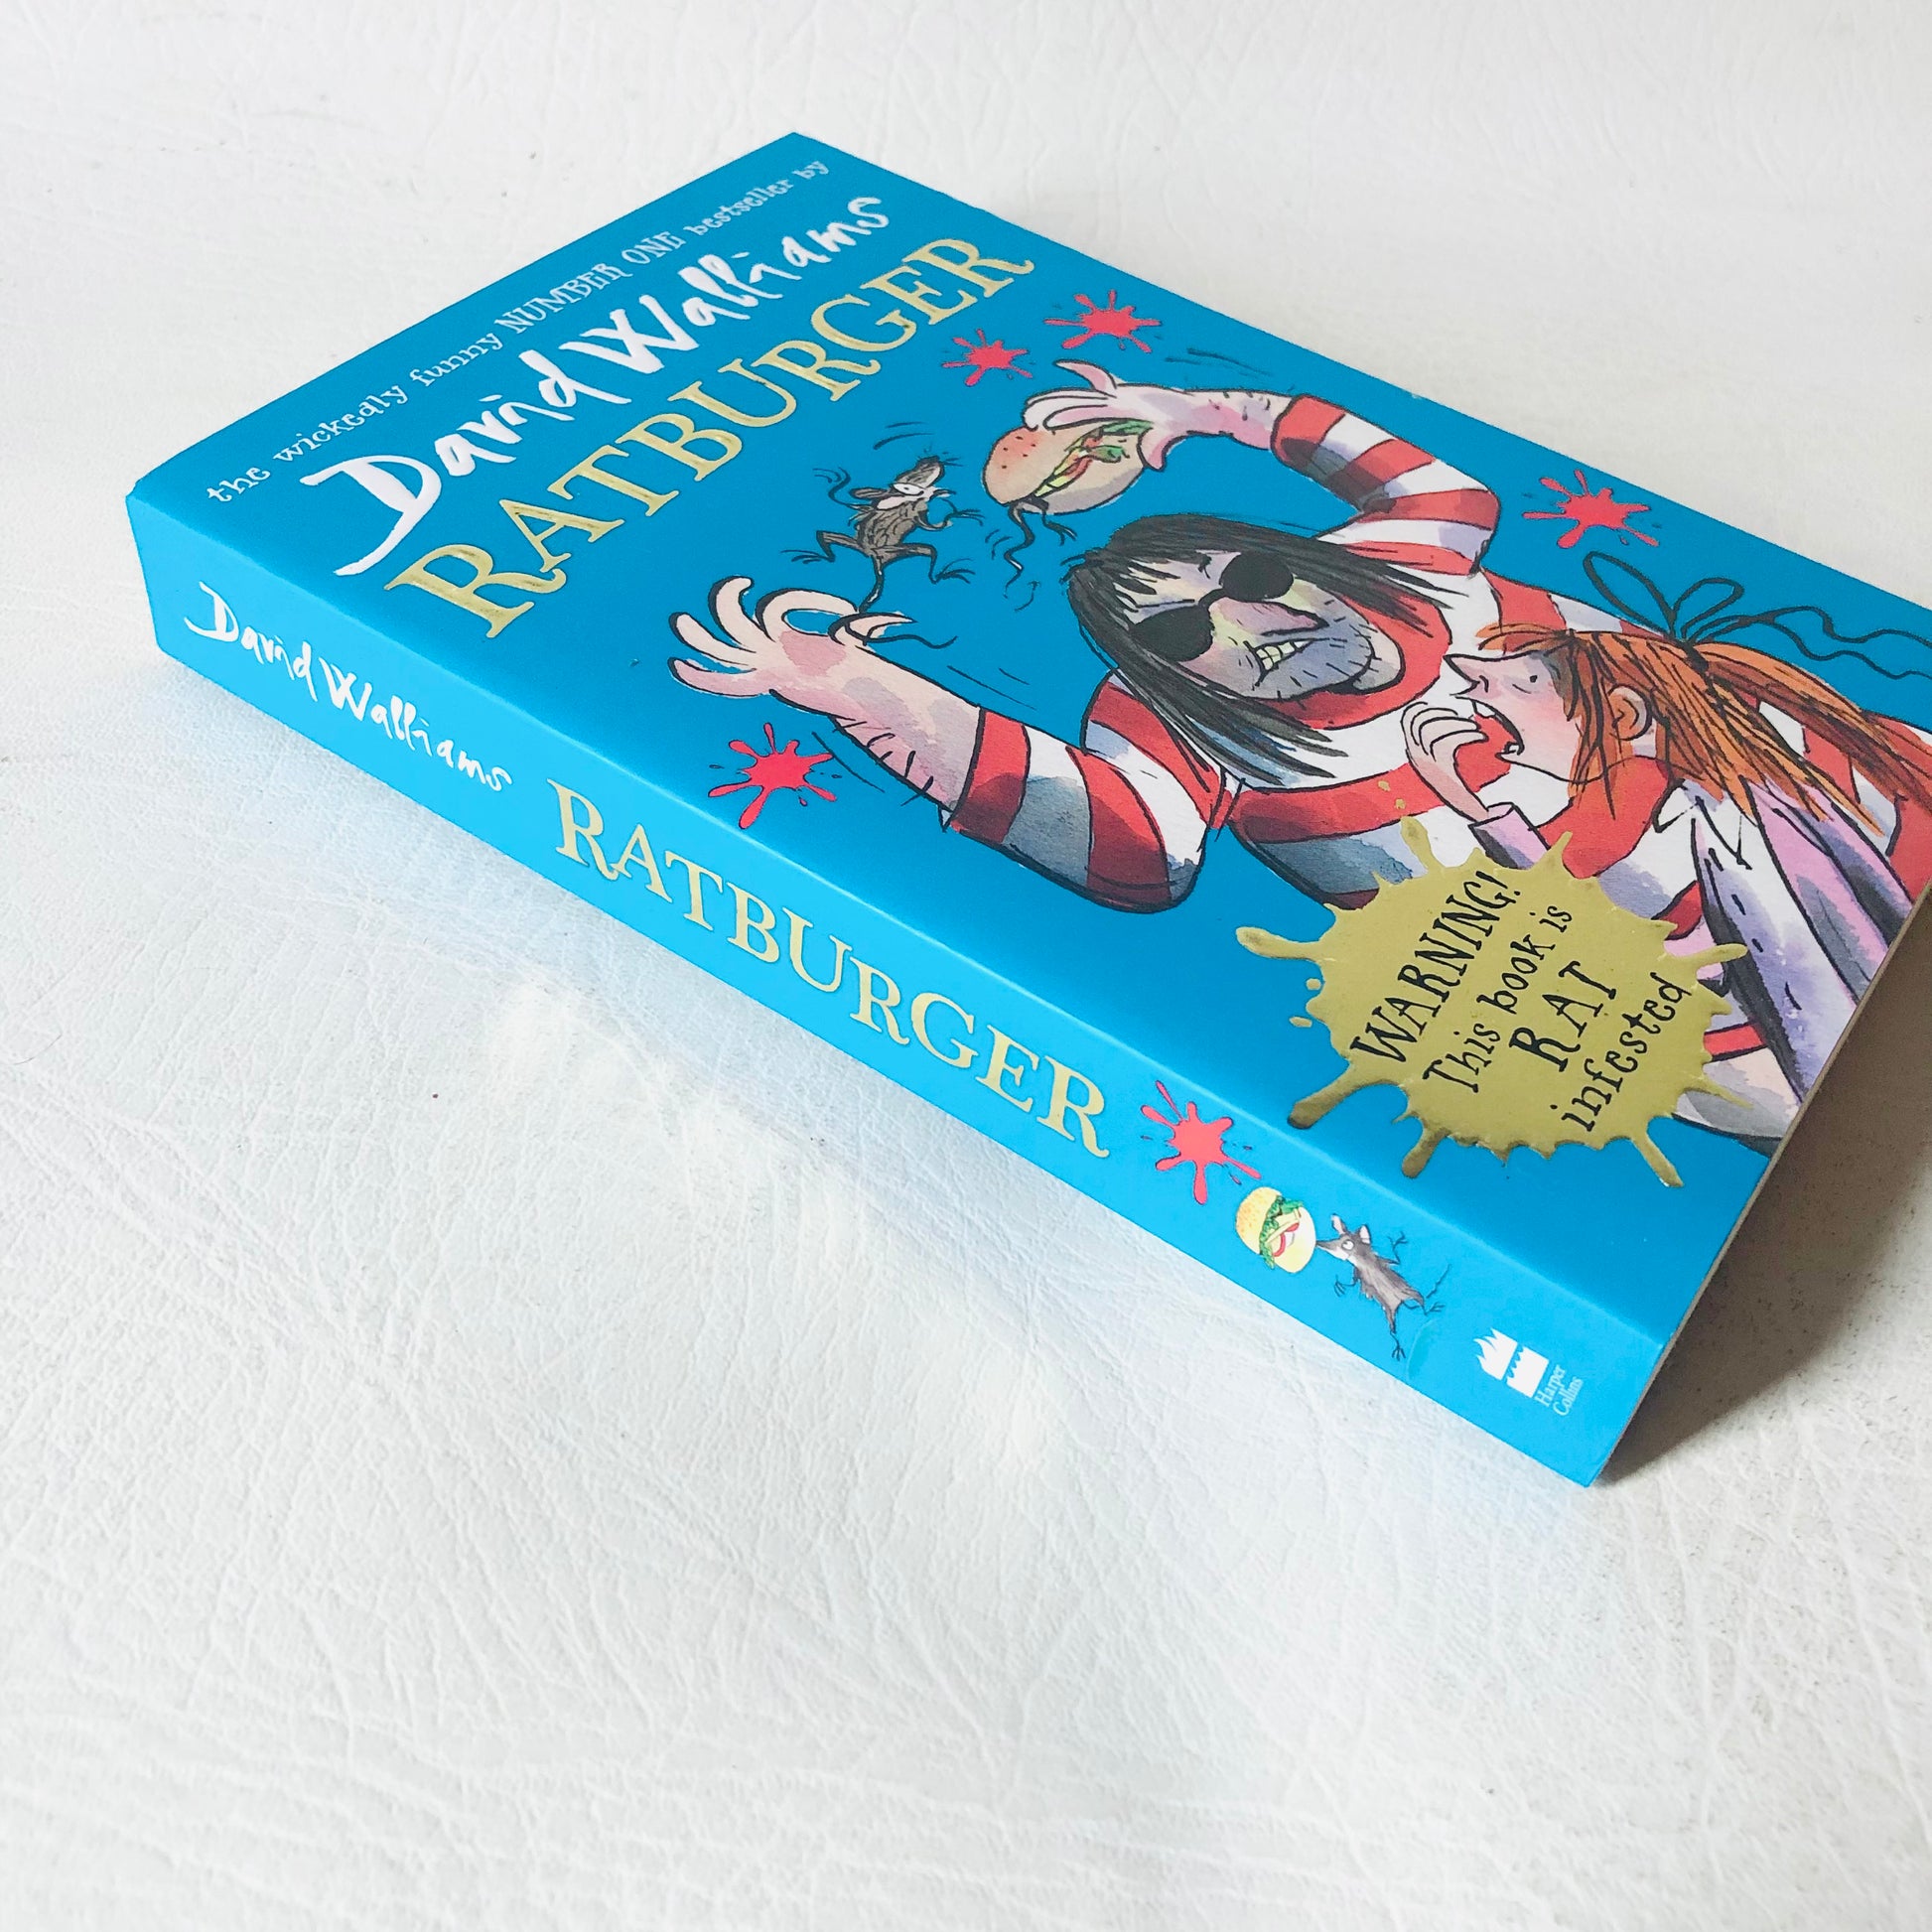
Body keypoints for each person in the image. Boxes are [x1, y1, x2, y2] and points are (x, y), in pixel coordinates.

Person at [670, 361, 1638, 911]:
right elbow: (1123, 842)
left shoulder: (1402, 563)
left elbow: (1421, 479)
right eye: (1181, 633)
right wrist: (864, 692)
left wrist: (1207, 412)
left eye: (1254, 580)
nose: (1253, 623)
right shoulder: (1177, 727)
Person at [1401, 622, 1932, 1142]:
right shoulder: (1731, 804)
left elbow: (1701, 975)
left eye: (1525, 684)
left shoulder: (1739, 832)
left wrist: (1481, 814)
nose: (1471, 679)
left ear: (1623, 715)